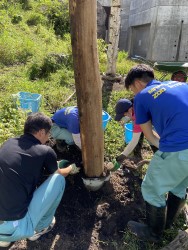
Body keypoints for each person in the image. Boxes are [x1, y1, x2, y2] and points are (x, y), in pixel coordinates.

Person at [124, 64, 188, 242]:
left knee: (151, 188)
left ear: (137, 83)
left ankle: (153, 234)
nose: (134, 94)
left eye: (132, 90)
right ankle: (167, 223)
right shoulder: (181, 85)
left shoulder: (143, 97)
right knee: (179, 184)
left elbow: (149, 135)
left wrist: (166, 148)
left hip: (179, 146)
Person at [0, 112, 79, 247]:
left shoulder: (9, 143)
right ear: (42, 132)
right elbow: (59, 173)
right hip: (15, 226)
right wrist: (71, 168)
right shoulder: (45, 151)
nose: (48, 138)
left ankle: (4, 239)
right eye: (48, 134)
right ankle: (40, 228)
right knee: (58, 180)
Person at [114, 98, 143, 163]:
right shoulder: (134, 103)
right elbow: (130, 114)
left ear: (129, 110)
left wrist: (123, 155)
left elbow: (134, 140)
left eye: (124, 114)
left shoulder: (138, 117)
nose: (124, 116)